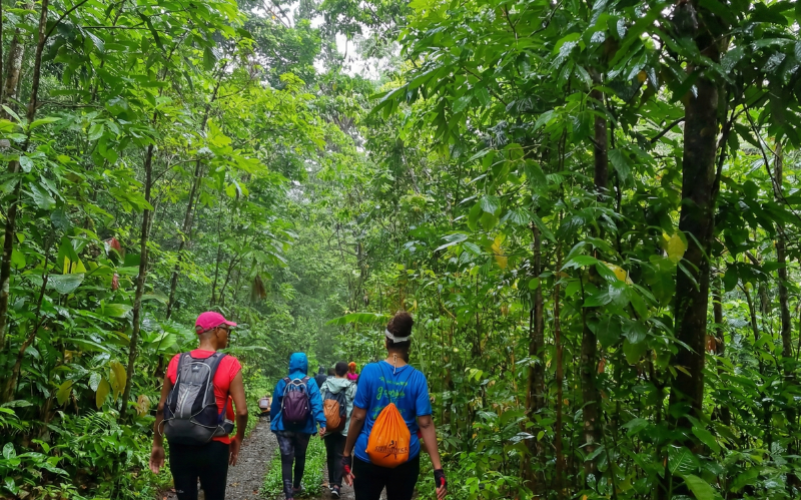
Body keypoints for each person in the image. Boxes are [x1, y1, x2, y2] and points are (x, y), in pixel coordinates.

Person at [341, 312, 447, 500]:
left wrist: (346, 454)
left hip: (368, 456)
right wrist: (438, 469)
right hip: (405, 459)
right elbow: (425, 424)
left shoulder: (369, 372)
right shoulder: (417, 378)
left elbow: (358, 417)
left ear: (386, 342)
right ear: (408, 344)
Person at [149, 311, 248, 500]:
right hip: (215, 446)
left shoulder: (177, 361)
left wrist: (157, 444)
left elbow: (162, 407)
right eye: (226, 330)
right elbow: (242, 411)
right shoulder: (229, 364)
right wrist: (238, 438)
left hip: (180, 445)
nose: (228, 334)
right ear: (217, 330)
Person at [271, 353, 327, 500]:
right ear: (305, 364)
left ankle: (288, 495)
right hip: (304, 427)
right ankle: (296, 486)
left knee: (286, 459)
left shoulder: (283, 382)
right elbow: (317, 404)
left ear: (291, 364)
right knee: (300, 456)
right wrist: (322, 422)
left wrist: (273, 422)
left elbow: (275, 406)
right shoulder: (311, 382)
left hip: (284, 427)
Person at [320, 362, 357, 499]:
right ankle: (336, 485)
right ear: (347, 372)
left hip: (329, 425)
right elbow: (356, 407)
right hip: (345, 427)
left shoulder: (325, 385)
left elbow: (320, 403)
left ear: (335, 371)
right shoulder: (351, 387)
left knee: (330, 454)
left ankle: (332, 483)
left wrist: (321, 423)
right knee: (340, 455)